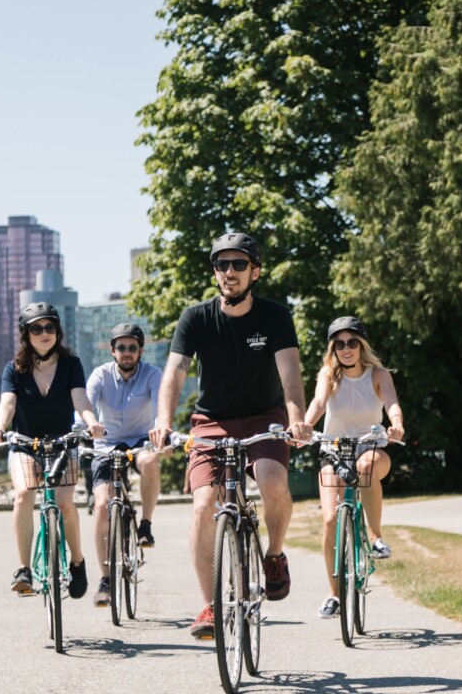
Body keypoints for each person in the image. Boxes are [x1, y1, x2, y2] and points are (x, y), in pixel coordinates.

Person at [149, 232, 313, 640]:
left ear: (255, 271)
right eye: (222, 265)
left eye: (238, 264)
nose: (229, 272)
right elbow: (175, 371)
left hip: (264, 418)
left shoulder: (275, 316)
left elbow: (290, 374)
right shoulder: (196, 317)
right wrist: (164, 421)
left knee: (274, 481)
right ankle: (209, 605)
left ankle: (273, 555)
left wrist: (297, 418)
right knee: (204, 505)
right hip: (211, 421)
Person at [0, 302, 105, 598]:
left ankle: (77, 560)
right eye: (36, 328)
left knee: (65, 503)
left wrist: (92, 423)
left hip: (63, 443)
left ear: (58, 332)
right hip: (25, 443)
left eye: (50, 327)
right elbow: (7, 404)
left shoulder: (71, 365)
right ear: (25, 334)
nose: (44, 334)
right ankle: (23, 569)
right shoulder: (13, 369)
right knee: (24, 494)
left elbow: (81, 401)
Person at [303, 317, 404, 620]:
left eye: (352, 343)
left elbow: (392, 403)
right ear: (333, 348)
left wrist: (396, 424)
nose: (346, 349)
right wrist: (305, 426)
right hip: (333, 451)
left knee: (366, 467)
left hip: (370, 446)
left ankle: (375, 538)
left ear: (362, 346)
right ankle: (334, 594)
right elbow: (319, 403)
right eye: (340, 344)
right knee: (331, 519)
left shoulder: (378, 374)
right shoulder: (328, 375)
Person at [85, 322, 165, 607]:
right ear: (112, 351)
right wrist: (88, 424)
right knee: (103, 505)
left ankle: (145, 524)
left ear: (141, 350)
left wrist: (160, 430)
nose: (127, 353)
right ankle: (105, 579)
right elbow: (86, 402)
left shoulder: (152, 374)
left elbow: (160, 405)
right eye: (121, 348)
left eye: (132, 348)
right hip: (106, 443)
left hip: (140, 440)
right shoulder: (100, 375)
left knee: (151, 461)